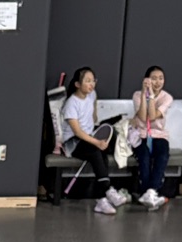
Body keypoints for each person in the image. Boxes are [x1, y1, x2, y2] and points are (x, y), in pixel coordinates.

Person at [61, 66, 128, 215]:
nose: (92, 84)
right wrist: (96, 142)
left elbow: (93, 117)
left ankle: (102, 199)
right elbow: (77, 132)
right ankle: (107, 191)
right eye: (87, 81)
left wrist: (96, 134)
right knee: (96, 150)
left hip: (89, 136)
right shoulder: (71, 104)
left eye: (93, 80)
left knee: (101, 154)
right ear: (77, 84)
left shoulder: (92, 95)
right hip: (73, 142)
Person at [130, 66, 172, 208]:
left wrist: (152, 96)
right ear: (146, 80)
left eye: (161, 78)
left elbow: (153, 117)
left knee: (162, 155)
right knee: (144, 156)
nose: (158, 82)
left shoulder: (167, 97)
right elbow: (143, 117)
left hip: (159, 134)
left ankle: (151, 191)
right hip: (140, 134)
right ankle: (145, 193)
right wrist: (144, 94)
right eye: (154, 78)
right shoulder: (137, 95)